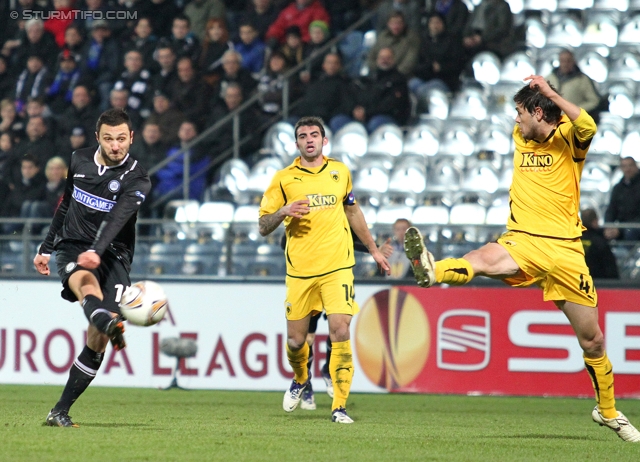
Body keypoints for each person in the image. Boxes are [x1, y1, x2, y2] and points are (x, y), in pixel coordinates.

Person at [404, 76, 640, 442]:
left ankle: (607, 412)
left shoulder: (569, 140)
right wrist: (536, 101)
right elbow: (544, 123)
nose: (515, 121)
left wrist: (549, 92)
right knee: (480, 259)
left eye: (519, 112)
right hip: (523, 240)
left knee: (592, 341)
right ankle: (432, 271)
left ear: (538, 111)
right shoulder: (521, 138)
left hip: (565, 252)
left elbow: (588, 124)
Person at [258, 116, 390, 423]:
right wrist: (283, 211)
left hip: (338, 267)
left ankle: (339, 407)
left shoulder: (339, 172)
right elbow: (263, 225)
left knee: (340, 329)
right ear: (296, 143)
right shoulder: (283, 179)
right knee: (296, 342)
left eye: (314, 135)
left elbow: (352, 210)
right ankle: (301, 378)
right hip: (300, 272)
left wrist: (372, 249)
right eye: (303, 136)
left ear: (324, 140)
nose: (309, 140)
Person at [33, 108, 151, 428]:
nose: (116, 146)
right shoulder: (79, 159)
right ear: (97, 137)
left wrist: (97, 251)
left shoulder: (138, 178)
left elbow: (118, 219)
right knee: (86, 285)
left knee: (97, 336)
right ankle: (103, 316)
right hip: (72, 246)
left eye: (122, 139)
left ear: (131, 139)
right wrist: (46, 247)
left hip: (114, 255)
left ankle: (59, 410)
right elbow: (67, 203)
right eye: (109, 139)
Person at [546, 49, 601, 117]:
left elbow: (594, 101)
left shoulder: (582, 80)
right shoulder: (550, 78)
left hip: (573, 121)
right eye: (563, 61)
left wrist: (576, 110)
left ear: (573, 61)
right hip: (552, 120)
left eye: (568, 61)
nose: (565, 64)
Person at [367, 11, 420, 77]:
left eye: (399, 23)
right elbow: (370, 57)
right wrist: (379, 67)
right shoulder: (383, 36)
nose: (396, 26)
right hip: (379, 74)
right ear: (388, 24)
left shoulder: (412, 38)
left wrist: (394, 73)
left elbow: (410, 61)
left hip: (403, 77)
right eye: (393, 23)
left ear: (404, 24)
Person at [604, 157, 640, 242]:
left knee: (631, 233)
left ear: (636, 167)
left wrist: (620, 230)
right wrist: (609, 226)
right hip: (620, 226)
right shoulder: (618, 188)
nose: (627, 169)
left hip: (635, 226)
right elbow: (611, 209)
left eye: (630, 166)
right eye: (624, 166)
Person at [581, 208, 619, 279]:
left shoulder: (574, 241)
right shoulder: (600, 243)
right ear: (595, 221)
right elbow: (610, 268)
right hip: (600, 284)